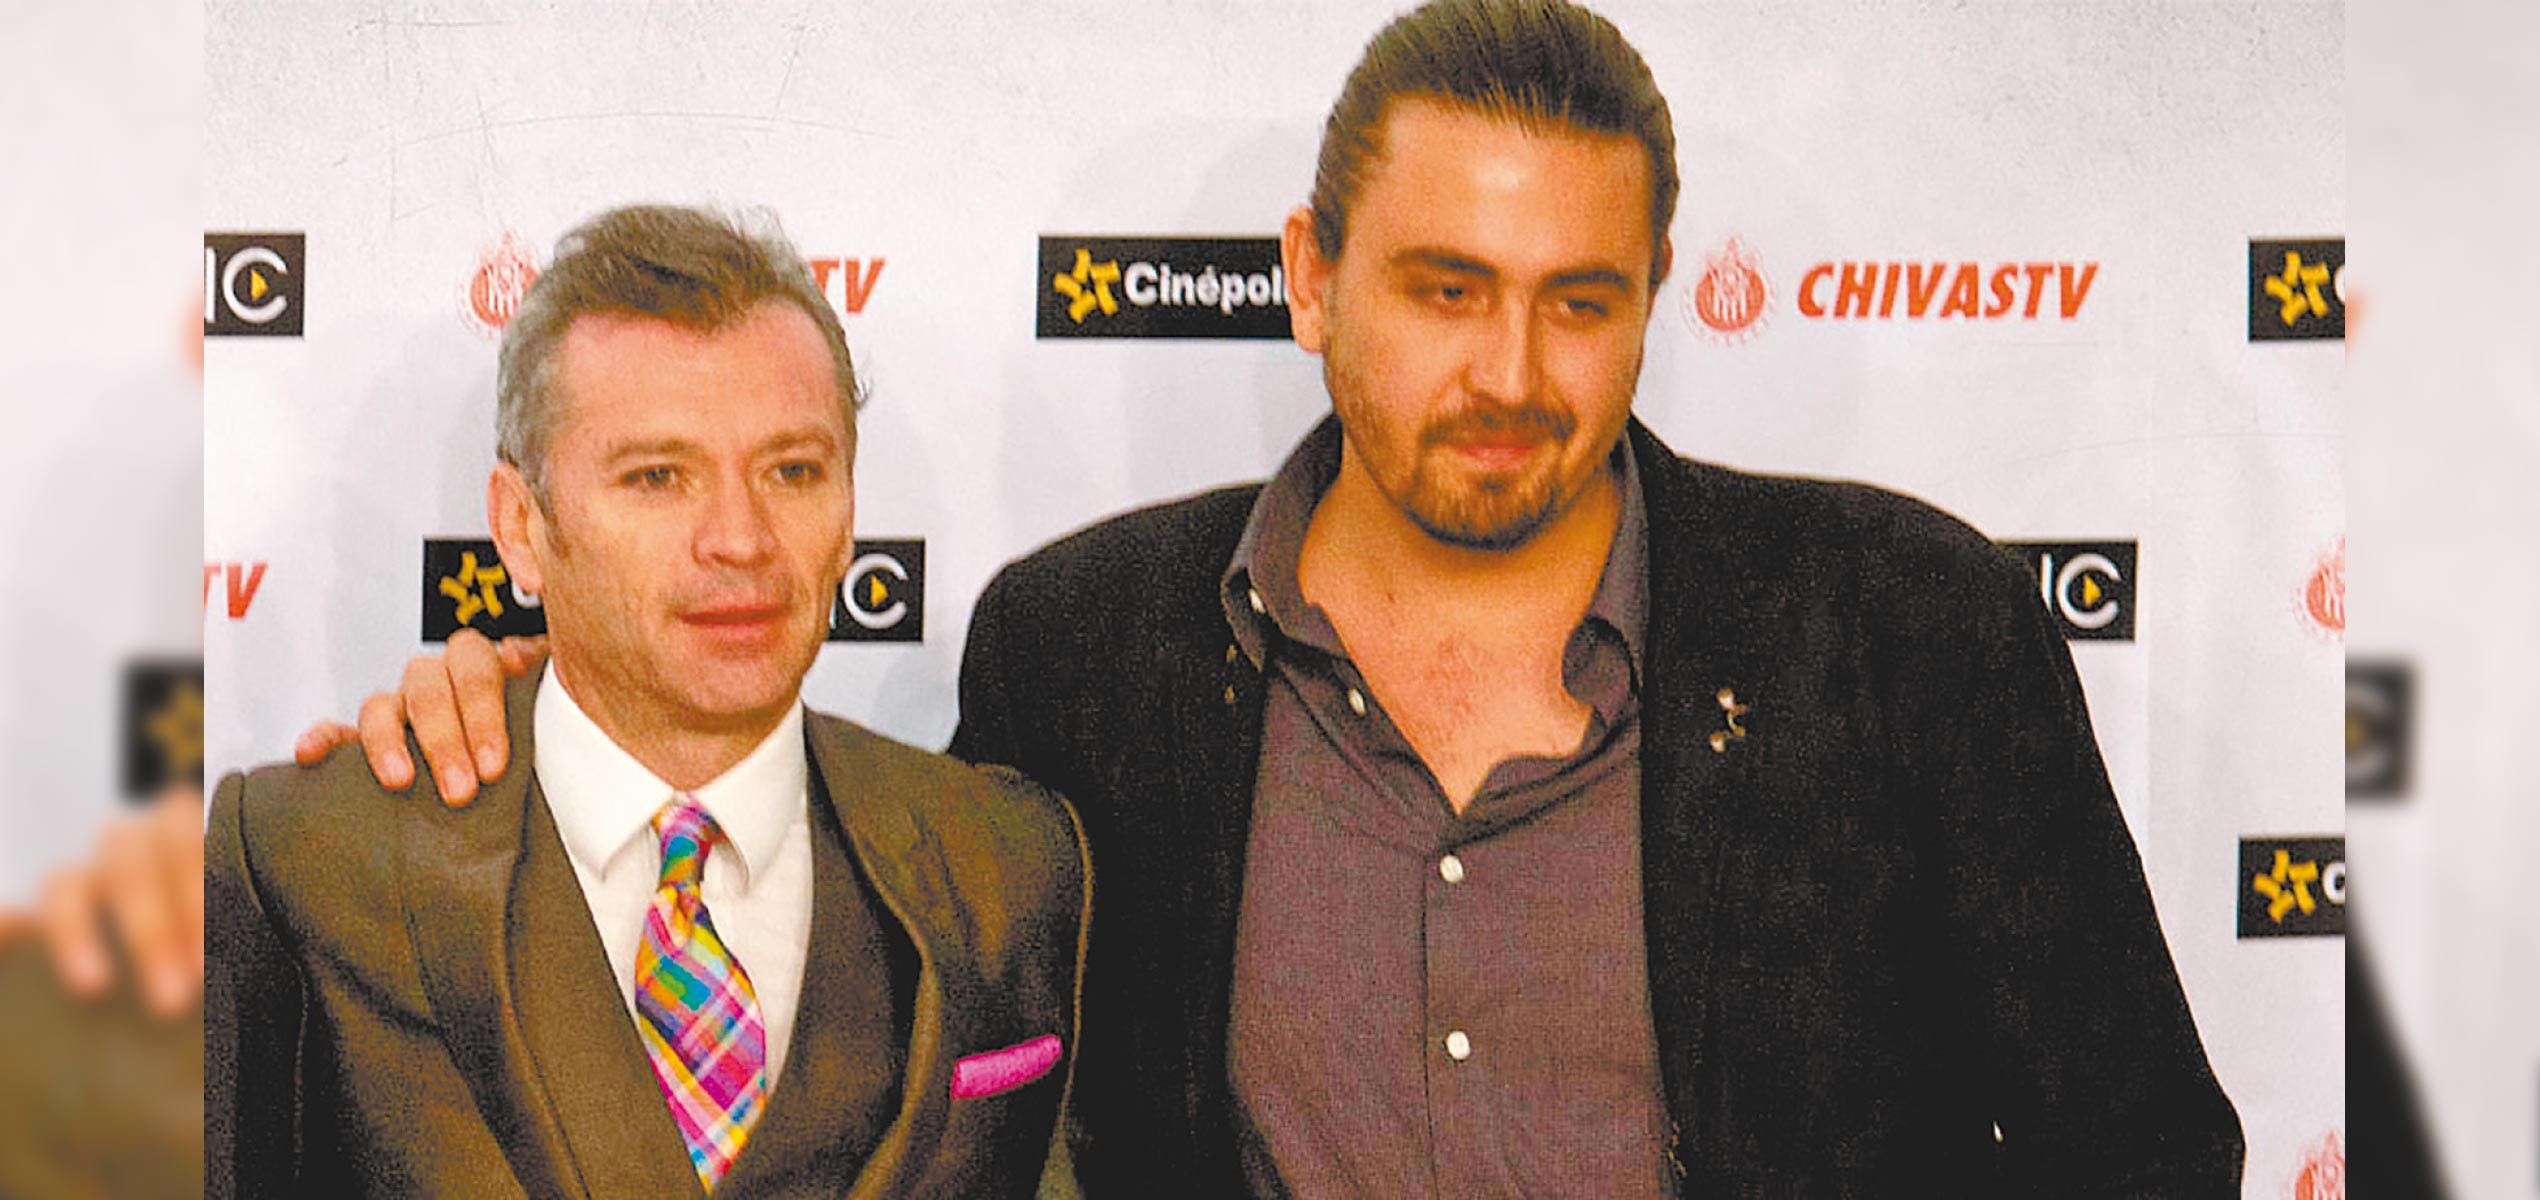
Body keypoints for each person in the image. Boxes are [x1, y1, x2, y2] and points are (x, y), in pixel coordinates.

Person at [240, 2, 2235, 1194]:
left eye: (1580, 301)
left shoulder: (1902, 630)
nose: (1512, 373)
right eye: (1444, 290)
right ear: (1309, 275)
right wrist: (532, 705)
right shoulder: (1086, 649)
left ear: (1652, 298)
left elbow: (2144, 1160)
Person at [205, 205, 1089, 1199]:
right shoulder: (303, 860)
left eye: (792, 471)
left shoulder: (1013, 861)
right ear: (522, 527)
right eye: (658, 477)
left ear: (848, 511)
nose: (740, 539)